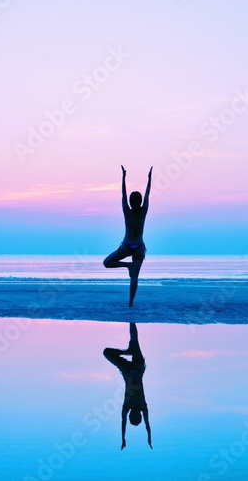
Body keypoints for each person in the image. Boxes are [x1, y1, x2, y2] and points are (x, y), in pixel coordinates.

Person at [103, 166, 152, 306]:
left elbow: (123, 194)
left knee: (106, 263)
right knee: (135, 277)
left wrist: (123, 177)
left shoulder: (127, 211)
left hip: (126, 246)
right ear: (140, 200)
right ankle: (130, 303)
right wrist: (149, 179)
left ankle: (127, 265)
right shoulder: (143, 212)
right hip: (139, 247)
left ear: (131, 201)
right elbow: (147, 194)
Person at [103, 323, 152, 450]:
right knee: (133, 341)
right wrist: (148, 437)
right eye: (136, 416)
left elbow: (143, 424)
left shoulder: (134, 406)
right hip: (137, 369)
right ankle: (131, 319)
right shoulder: (138, 406)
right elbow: (144, 424)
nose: (135, 415)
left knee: (107, 352)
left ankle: (127, 350)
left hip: (128, 370)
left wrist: (124, 438)